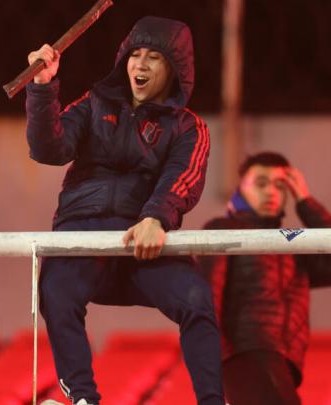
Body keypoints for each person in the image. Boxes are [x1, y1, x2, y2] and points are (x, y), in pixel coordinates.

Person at [25, 16, 224, 405]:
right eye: (135, 54)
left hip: (142, 235)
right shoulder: (94, 103)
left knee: (196, 298)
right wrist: (42, 87)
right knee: (56, 290)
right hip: (82, 229)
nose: (141, 65)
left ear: (176, 68)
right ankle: (84, 400)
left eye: (154, 57)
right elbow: (49, 149)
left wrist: (155, 218)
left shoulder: (188, 127)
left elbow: (182, 178)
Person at [199, 152, 331, 405]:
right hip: (245, 354)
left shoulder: (292, 244)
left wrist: (305, 201)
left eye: (280, 185)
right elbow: (207, 298)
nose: (271, 192)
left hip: (284, 360)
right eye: (261, 183)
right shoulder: (223, 228)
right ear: (240, 188)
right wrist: (214, 360)